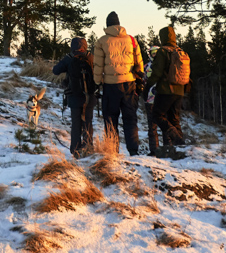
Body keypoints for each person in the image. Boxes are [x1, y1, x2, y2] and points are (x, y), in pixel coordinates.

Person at [93, 11, 144, 155]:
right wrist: (139, 79)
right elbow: (139, 62)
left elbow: (98, 66)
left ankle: (112, 150)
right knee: (130, 118)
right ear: (119, 24)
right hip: (129, 83)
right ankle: (133, 150)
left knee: (110, 118)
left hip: (111, 85)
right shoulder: (131, 40)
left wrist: (97, 83)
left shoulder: (102, 41)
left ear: (107, 25)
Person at [53, 37, 96, 156]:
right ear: (85, 46)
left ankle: (75, 150)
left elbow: (55, 70)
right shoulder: (91, 57)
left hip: (74, 96)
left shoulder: (69, 58)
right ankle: (88, 148)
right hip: (89, 97)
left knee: (76, 123)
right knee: (88, 122)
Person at [149, 26, 189, 148]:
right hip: (179, 91)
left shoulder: (163, 51)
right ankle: (179, 146)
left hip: (166, 90)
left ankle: (174, 137)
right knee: (174, 119)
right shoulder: (180, 51)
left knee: (157, 115)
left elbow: (156, 72)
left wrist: (147, 87)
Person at [143, 44, 161, 156]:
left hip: (156, 98)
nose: (154, 55)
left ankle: (159, 149)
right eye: (152, 53)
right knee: (153, 126)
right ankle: (155, 149)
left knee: (155, 125)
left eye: (156, 53)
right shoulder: (147, 66)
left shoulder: (147, 66)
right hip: (153, 98)